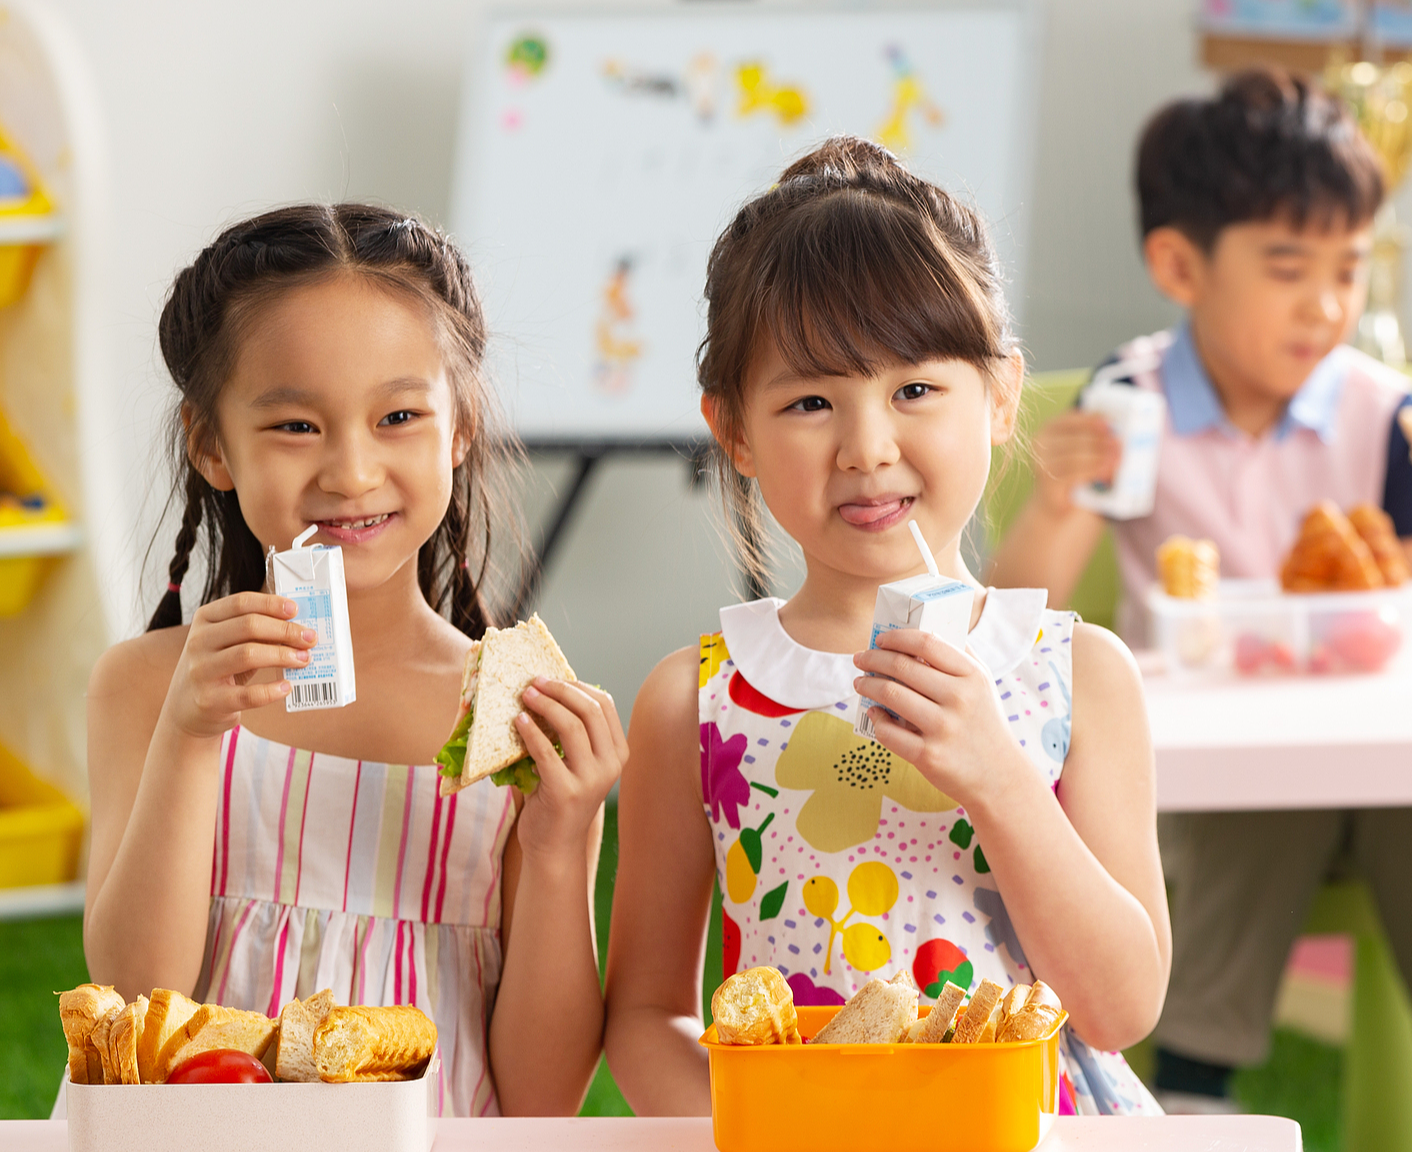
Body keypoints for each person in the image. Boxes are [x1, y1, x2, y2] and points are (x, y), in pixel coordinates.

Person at [986, 68, 1412, 1148]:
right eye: (1287, 270)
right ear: (1178, 266)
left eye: (1347, 270)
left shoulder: (1389, 416)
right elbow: (1019, 618)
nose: (1326, 305)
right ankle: (1194, 1083)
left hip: (1371, 769)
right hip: (1206, 792)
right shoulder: (1134, 405)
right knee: (1270, 799)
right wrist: (1060, 498)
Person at [603, 137, 1170, 1116]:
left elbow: (1120, 1008)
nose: (867, 448)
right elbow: (646, 1017)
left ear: (997, 397)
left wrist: (998, 778)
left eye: (913, 390)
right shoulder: (691, 702)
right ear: (732, 430)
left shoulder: (1079, 673)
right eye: (811, 401)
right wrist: (760, 1130)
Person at [82, 204, 625, 1116]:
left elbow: (542, 1098)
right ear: (210, 443)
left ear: (461, 428)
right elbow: (141, 999)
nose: (351, 470)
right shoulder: (149, 688)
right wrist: (188, 735)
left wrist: (563, 840)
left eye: (399, 416)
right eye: (296, 426)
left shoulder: (520, 723)